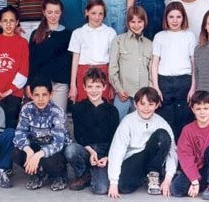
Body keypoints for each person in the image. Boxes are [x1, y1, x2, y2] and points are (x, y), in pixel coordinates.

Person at [107, 87, 177, 198]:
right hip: (134, 159)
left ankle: (154, 174)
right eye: (142, 103)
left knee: (163, 136)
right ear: (135, 104)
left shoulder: (162, 123)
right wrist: (113, 182)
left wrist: (168, 179)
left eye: (150, 104)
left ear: (157, 105)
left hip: (152, 157)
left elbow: (171, 151)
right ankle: (143, 176)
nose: (146, 108)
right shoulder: (127, 122)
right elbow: (117, 150)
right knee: (123, 187)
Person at [65, 67, 119, 195]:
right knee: (71, 150)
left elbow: (114, 138)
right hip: (87, 149)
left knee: (101, 189)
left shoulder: (112, 111)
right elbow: (79, 135)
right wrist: (90, 151)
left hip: (103, 152)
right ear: (84, 87)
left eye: (98, 86)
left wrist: (106, 157)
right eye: (90, 86)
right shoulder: (78, 108)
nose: (94, 90)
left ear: (104, 87)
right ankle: (83, 174)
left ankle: (96, 172)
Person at [13, 79, 71, 191]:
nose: (40, 99)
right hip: (36, 145)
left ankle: (60, 176)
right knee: (16, 153)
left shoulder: (57, 111)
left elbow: (58, 143)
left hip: (54, 151)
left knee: (48, 160)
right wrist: (29, 151)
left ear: (51, 94)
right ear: (31, 95)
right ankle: (38, 173)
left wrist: (38, 155)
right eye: (36, 95)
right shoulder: (27, 109)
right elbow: (19, 133)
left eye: (44, 95)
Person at [151, 1, 196, 142]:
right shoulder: (159, 36)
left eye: (178, 17)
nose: (175, 21)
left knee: (184, 120)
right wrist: (156, 87)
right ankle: (168, 156)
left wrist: (193, 88)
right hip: (164, 82)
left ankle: (183, 158)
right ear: (166, 18)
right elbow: (154, 64)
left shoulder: (189, 36)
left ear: (183, 18)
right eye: (171, 17)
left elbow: (194, 64)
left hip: (184, 81)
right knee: (166, 120)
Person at [0, 5, 29, 128]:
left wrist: (10, 90)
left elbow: (23, 69)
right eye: (5, 21)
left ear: (17, 22)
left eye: (12, 21)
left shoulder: (22, 43)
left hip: (13, 93)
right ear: (0, 23)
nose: (8, 24)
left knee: (10, 126)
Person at [68, 0, 117, 103]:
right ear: (87, 12)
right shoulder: (78, 33)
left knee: (102, 106)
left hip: (104, 72)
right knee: (84, 107)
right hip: (83, 72)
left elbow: (113, 60)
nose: (97, 17)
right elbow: (75, 60)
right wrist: (73, 85)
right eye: (93, 13)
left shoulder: (110, 32)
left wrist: (112, 85)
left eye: (100, 14)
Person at [109, 5, 153, 120]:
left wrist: (148, 93)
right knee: (118, 124)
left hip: (142, 97)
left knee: (140, 126)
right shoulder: (118, 41)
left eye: (140, 21)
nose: (136, 25)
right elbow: (113, 68)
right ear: (128, 23)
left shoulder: (149, 44)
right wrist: (119, 89)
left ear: (145, 22)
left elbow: (151, 72)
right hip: (123, 94)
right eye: (133, 21)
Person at [28, 0, 72, 112]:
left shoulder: (68, 34)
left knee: (58, 117)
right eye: (50, 12)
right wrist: (29, 84)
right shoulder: (36, 34)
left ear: (61, 13)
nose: (53, 16)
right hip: (40, 85)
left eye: (57, 12)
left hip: (60, 84)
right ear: (44, 12)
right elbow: (31, 61)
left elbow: (71, 62)